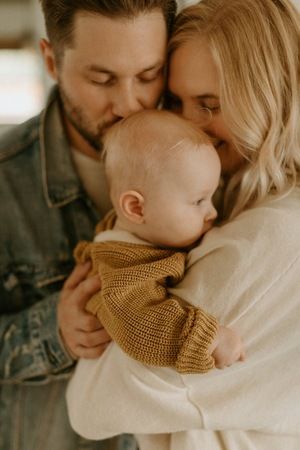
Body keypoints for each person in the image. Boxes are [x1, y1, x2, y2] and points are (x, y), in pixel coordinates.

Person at [66, 0, 300, 449]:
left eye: (210, 104)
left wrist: (103, 316)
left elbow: (90, 405)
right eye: (175, 101)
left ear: (271, 98)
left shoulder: (270, 236)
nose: (189, 125)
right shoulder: (219, 206)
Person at [0, 1, 177, 449]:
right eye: (102, 79)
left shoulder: (209, 162)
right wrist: (52, 331)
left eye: (148, 74)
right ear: (50, 61)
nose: (129, 104)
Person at [73, 109, 245, 374]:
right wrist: (206, 341)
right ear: (136, 209)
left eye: (212, 197)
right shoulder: (124, 268)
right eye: (199, 201)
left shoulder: (142, 232)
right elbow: (138, 325)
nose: (212, 213)